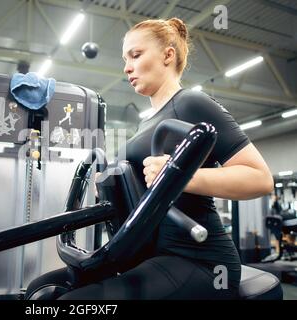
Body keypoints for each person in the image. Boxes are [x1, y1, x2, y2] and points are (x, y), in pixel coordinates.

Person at [59, 18, 274, 300]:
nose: (126, 67)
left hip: (199, 260)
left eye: (136, 55)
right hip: (151, 254)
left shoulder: (191, 103)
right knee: (50, 290)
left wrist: (178, 176)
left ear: (167, 55)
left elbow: (260, 179)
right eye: (125, 59)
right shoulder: (146, 123)